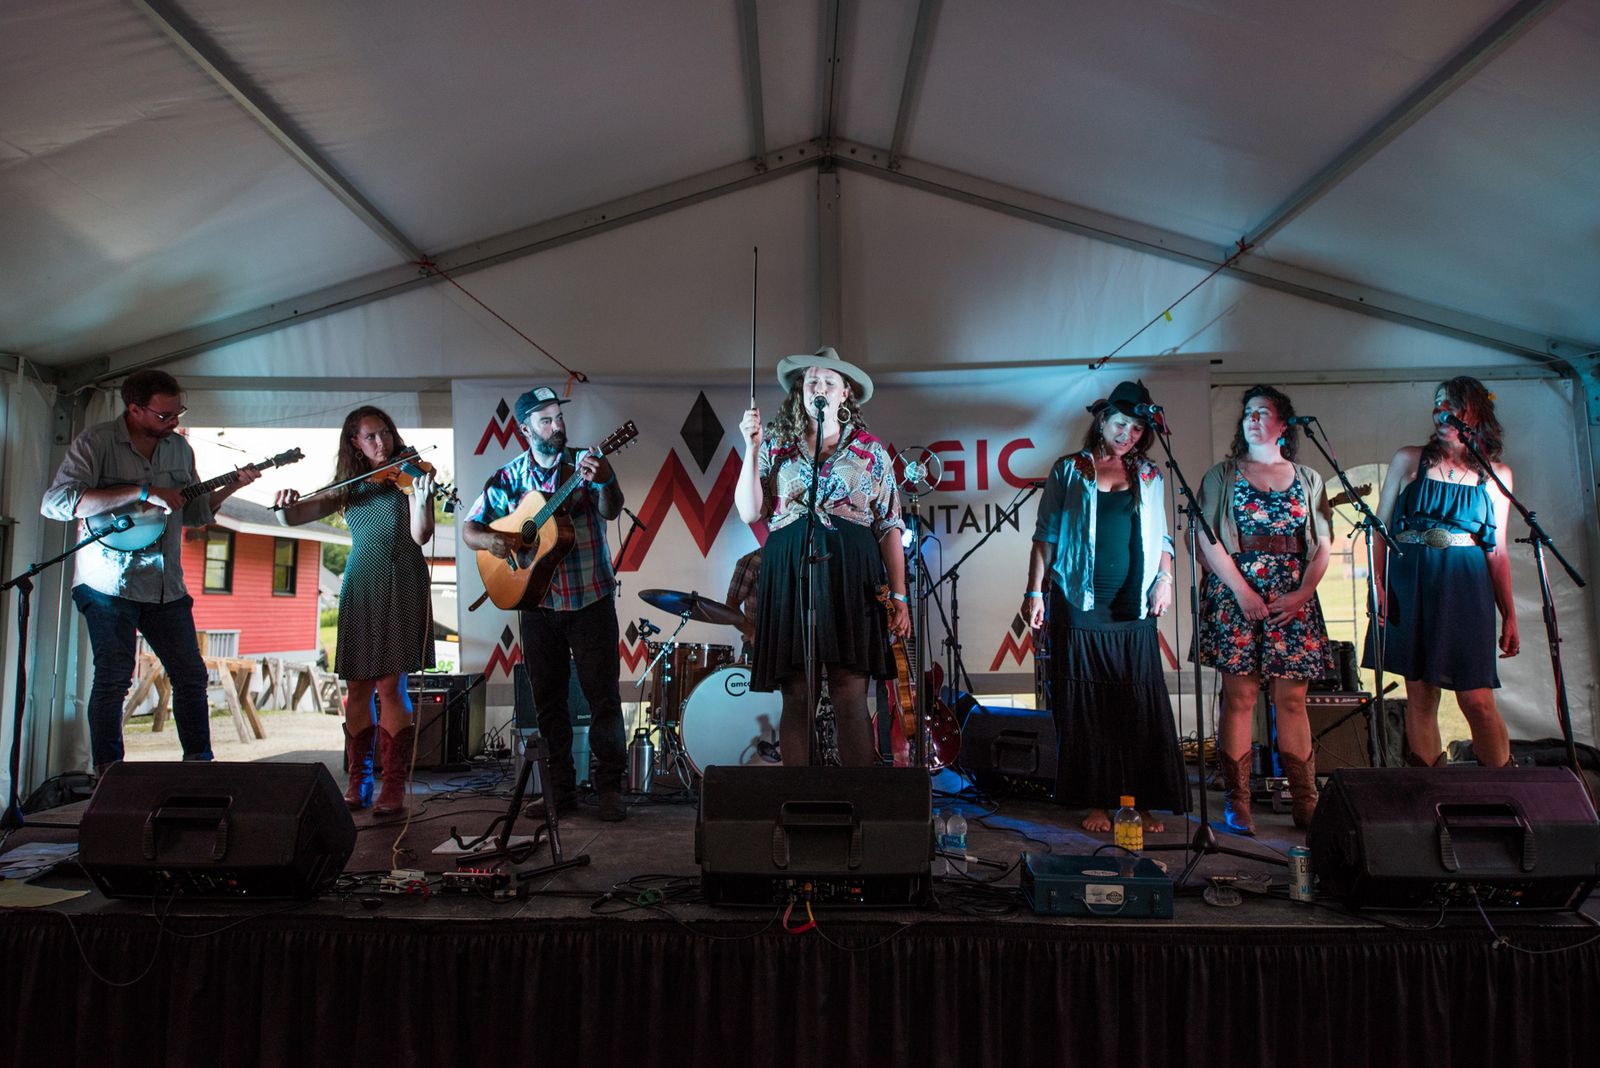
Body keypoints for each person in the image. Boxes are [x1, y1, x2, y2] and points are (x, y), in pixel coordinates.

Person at [41, 369, 260, 773]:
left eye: (178, 413)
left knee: (191, 676)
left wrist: (233, 486)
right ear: (135, 409)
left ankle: (199, 768)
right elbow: (56, 503)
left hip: (165, 585)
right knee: (113, 679)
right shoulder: (96, 442)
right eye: (164, 415)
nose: (173, 421)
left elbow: (194, 513)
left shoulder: (179, 449)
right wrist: (142, 491)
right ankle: (110, 776)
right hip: (108, 584)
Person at [1023, 380, 1188, 833]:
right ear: (1102, 421)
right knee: (1088, 705)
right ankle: (1095, 800)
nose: (1127, 435)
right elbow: (1045, 536)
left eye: (1136, 429)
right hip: (1079, 601)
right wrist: (1034, 592)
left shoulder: (1150, 475)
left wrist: (1165, 580)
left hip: (1132, 603)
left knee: (1137, 702)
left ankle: (1142, 800)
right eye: (1120, 424)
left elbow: (1164, 538)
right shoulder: (1070, 469)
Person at [734, 347, 911, 767]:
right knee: (797, 694)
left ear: (845, 393)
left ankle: (857, 796)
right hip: (791, 571)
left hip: (852, 575)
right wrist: (750, 447)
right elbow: (749, 511)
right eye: (812, 381)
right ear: (801, 391)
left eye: (830, 382)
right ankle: (799, 794)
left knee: (850, 693)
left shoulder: (870, 450)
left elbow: (889, 524)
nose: (820, 387)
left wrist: (899, 595)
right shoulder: (776, 444)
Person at [461, 386, 629, 821]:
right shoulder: (508, 478)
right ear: (525, 429)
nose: (557, 426)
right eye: (546, 420)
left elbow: (611, 510)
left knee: (603, 698)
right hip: (536, 603)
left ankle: (610, 788)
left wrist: (607, 479)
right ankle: (560, 792)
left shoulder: (584, 464)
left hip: (589, 598)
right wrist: (492, 540)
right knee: (549, 702)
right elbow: (470, 529)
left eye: (559, 417)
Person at [274, 406, 435, 814]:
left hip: (401, 577)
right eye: (371, 436)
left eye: (386, 433)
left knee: (390, 686)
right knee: (358, 686)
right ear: (355, 443)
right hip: (362, 579)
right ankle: (359, 779)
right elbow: (297, 516)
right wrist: (285, 505)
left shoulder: (412, 475)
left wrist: (423, 497)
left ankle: (392, 785)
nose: (382, 442)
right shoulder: (349, 485)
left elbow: (422, 535)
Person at [1195, 385, 1335, 833]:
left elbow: (1323, 543)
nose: (1253, 419)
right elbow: (1206, 539)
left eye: (1263, 412)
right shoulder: (1223, 475)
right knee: (1240, 697)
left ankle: (1305, 800)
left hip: (1292, 594)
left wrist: (1303, 593)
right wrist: (1241, 592)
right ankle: (1238, 800)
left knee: (1292, 700)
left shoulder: (1308, 478)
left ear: (1283, 424)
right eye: (1248, 413)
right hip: (1238, 591)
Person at [1365, 376, 1517, 768]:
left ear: (1475, 413)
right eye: (1437, 404)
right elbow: (1379, 529)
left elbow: (1497, 551)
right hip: (1411, 582)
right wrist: (1376, 583)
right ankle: (1431, 788)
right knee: (1421, 694)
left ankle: (1502, 787)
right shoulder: (1409, 459)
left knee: (1476, 698)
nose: (1441, 412)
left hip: (1465, 587)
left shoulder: (1496, 475)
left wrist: (1509, 614)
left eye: (1452, 405)